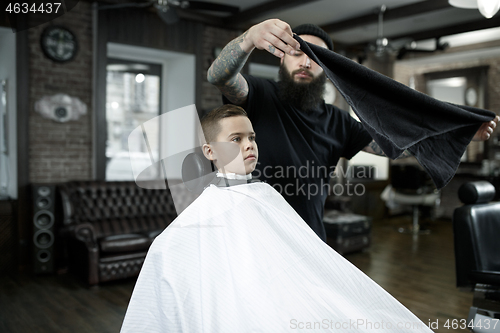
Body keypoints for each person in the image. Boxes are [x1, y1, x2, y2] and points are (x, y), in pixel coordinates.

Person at [120, 105, 434, 332]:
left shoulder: (266, 195)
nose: (248, 145)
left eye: (251, 137)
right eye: (236, 139)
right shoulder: (201, 216)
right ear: (209, 151)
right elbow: (169, 256)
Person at [207, 19, 498, 241]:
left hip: (308, 238)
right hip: (253, 236)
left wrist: (455, 133)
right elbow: (218, 76)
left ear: (328, 69)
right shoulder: (260, 94)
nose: (306, 61)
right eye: (297, 53)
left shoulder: (339, 121)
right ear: (282, 57)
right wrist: (249, 38)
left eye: (316, 57)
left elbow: (394, 146)